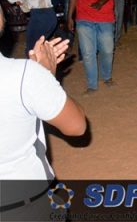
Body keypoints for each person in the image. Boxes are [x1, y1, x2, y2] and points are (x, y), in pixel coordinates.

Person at [0, 36, 86, 221]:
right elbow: (76, 126)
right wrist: (44, 76)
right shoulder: (23, 75)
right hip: (23, 205)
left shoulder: (25, 75)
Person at [68, 0, 117, 94]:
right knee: (88, 53)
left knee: (107, 50)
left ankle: (106, 76)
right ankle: (91, 84)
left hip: (105, 17)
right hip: (84, 18)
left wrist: (100, 2)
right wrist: (70, 17)